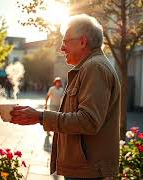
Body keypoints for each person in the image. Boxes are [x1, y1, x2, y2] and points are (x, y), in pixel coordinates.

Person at [10, 14, 121, 179]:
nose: (61, 48)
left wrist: (40, 116)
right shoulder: (90, 67)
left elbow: (88, 121)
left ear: (83, 42)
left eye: (65, 42)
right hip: (84, 168)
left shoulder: (94, 67)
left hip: (87, 171)